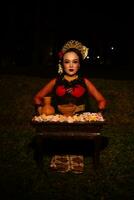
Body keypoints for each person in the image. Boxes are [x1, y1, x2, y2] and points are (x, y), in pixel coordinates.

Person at [33, 40, 107, 173]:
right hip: (59, 118)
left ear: (79, 65)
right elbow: (37, 97)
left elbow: (101, 99)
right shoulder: (55, 81)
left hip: (80, 119)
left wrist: (100, 112)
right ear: (62, 64)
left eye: (75, 61)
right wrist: (40, 108)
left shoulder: (84, 82)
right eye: (67, 62)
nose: (71, 65)